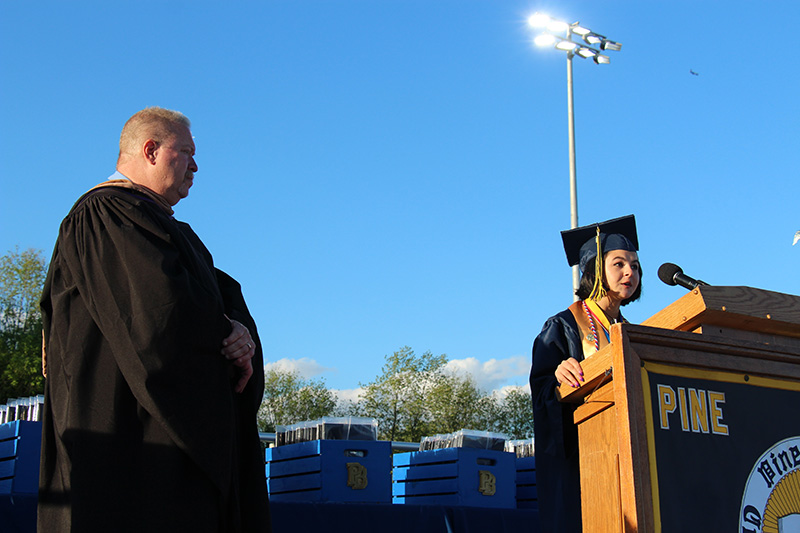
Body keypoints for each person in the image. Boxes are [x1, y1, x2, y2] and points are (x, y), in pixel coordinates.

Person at [38, 107, 271, 532]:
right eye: (186, 151)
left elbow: (220, 297)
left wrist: (240, 333)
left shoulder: (167, 231)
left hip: (172, 457)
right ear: (151, 150)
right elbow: (157, 312)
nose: (196, 165)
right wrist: (225, 332)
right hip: (132, 442)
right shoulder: (106, 215)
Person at [529, 215, 641, 533]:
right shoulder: (562, 327)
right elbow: (542, 392)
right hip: (585, 466)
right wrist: (556, 380)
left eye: (634, 265)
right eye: (619, 263)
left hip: (632, 462)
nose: (630, 272)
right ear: (594, 269)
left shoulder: (633, 334)